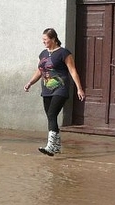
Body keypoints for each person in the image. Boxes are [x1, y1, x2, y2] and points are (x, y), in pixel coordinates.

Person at [24, 27, 86, 156]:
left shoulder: (64, 53)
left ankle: (51, 146)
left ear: (53, 39)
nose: (43, 42)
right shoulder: (43, 54)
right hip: (46, 89)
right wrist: (30, 82)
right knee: (51, 117)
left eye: (45, 39)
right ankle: (56, 146)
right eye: (43, 39)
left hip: (61, 88)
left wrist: (79, 88)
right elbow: (39, 71)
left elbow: (73, 71)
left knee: (52, 114)